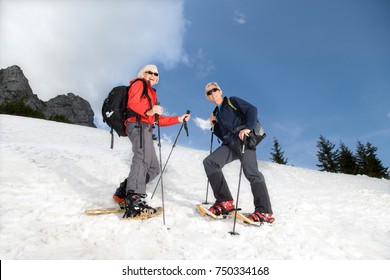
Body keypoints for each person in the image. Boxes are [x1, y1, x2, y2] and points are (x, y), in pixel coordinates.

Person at [113, 64, 190, 218]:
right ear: (143, 73)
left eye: (155, 74)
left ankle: (124, 192)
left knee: (154, 167)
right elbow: (133, 103)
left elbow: (157, 119)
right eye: (149, 72)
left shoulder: (151, 93)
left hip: (146, 127)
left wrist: (178, 119)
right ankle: (135, 199)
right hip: (137, 124)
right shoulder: (138, 83)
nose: (152, 75)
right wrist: (149, 110)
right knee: (141, 158)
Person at [202, 82, 274, 224]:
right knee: (210, 162)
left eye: (214, 90)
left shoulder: (232, 101)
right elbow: (221, 135)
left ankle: (264, 211)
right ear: (208, 97)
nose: (213, 93)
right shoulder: (216, 113)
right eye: (209, 93)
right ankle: (225, 201)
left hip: (243, 140)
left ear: (220, 91)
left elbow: (252, 110)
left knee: (251, 172)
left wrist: (248, 128)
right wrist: (213, 124)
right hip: (229, 144)